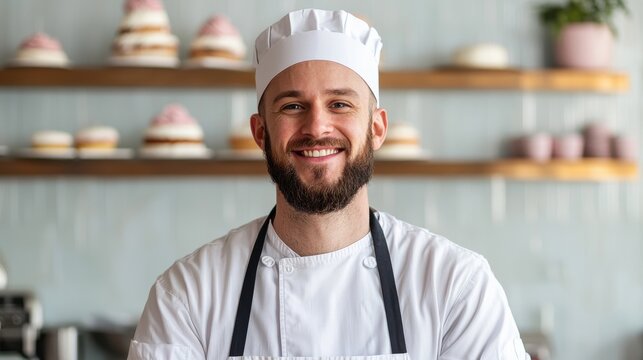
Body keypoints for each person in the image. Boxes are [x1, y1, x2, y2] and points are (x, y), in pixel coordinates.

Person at [128, 8, 530, 360]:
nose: (317, 127)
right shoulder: (188, 294)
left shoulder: (455, 286)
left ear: (376, 128)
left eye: (340, 103)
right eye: (292, 106)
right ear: (260, 132)